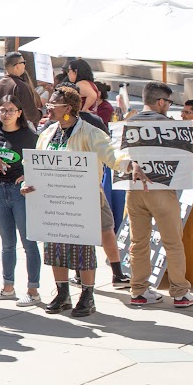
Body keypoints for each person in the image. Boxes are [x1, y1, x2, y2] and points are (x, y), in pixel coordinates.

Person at [24, 87, 130, 318]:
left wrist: (129, 164)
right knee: (55, 246)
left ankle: (87, 296)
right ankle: (62, 294)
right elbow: (34, 164)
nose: (48, 108)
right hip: (53, 201)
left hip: (83, 201)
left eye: (53, 105)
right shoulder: (47, 133)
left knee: (83, 248)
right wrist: (27, 182)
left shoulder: (90, 133)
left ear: (68, 108)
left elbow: (111, 154)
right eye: (49, 104)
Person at [124, 83, 193, 309]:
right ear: (161, 102)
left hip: (134, 190)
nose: (169, 107)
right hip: (161, 189)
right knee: (173, 243)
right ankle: (180, 294)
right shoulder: (170, 125)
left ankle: (138, 291)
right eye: (169, 102)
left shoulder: (129, 122)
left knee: (138, 242)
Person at [0, 98, 42, 306]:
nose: (6, 114)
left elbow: (39, 161)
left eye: (11, 110)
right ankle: (8, 287)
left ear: (19, 113)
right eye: (2, 110)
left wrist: (28, 175)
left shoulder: (30, 136)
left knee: (29, 243)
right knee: (7, 244)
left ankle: (33, 290)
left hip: (20, 193)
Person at [0, 51, 42, 128]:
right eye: (23, 62)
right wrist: (40, 114)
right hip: (20, 130)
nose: (24, 65)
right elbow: (31, 114)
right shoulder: (22, 86)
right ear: (17, 66)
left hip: (2, 128)